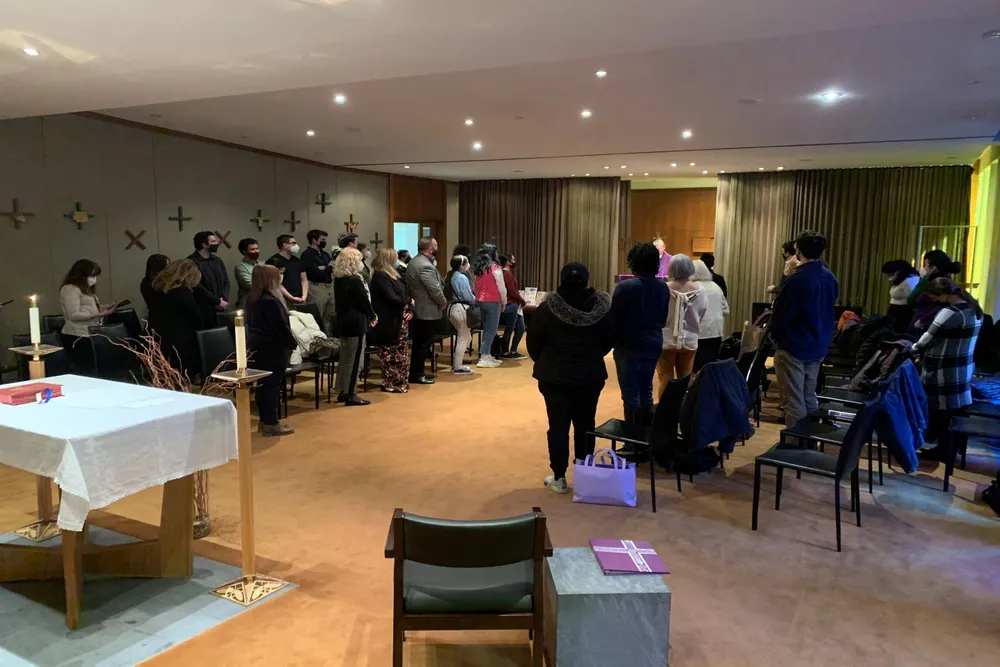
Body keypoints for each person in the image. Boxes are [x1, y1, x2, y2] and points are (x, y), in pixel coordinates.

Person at [528, 262, 614, 494]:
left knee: (558, 426)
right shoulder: (600, 309)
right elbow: (608, 341)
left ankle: (559, 477)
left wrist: (545, 360)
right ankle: (585, 477)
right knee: (585, 425)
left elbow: (533, 343)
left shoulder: (547, 309)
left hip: (555, 377)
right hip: (589, 375)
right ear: (586, 280)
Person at [769, 231, 839, 426]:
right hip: (818, 344)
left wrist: (777, 340)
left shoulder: (796, 280)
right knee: (809, 396)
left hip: (794, 346)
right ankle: (809, 442)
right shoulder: (830, 277)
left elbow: (781, 315)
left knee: (793, 401)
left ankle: (795, 447)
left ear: (798, 251)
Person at [912, 278, 982, 464]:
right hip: (963, 369)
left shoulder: (949, 313)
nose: (934, 300)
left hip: (943, 371)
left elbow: (927, 338)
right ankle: (951, 449)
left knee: (940, 413)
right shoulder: (974, 309)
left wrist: (913, 349)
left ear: (944, 294)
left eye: (934, 296)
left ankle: (943, 450)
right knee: (954, 413)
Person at [611, 243, 670, 423]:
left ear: (633, 262)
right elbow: (663, 319)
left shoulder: (625, 287)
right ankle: (645, 435)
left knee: (630, 393)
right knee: (646, 390)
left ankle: (632, 439)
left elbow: (614, 319)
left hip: (629, 345)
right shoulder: (663, 287)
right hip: (653, 342)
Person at [245, 264, 297, 436]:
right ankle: (271, 423)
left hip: (258, 346)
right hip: (272, 347)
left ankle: (264, 420)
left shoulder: (252, 298)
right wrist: (292, 343)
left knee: (262, 386)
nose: (279, 279)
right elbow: (280, 327)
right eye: (277, 276)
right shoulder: (269, 301)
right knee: (271, 387)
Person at [657, 254, 708, 392]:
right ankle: (683, 411)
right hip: (690, 340)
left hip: (666, 339)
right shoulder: (701, 291)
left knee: (665, 377)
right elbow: (702, 313)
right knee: (686, 379)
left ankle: (665, 412)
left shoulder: (663, 288)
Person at [147, 259, 205, 378]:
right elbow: (196, 318)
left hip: (159, 336)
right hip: (181, 341)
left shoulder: (158, 290)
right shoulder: (183, 293)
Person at [333, 247, 377, 405]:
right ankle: (350, 393)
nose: (361, 264)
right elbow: (363, 301)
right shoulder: (355, 280)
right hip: (356, 322)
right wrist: (373, 315)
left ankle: (342, 390)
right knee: (355, 359)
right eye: (358, 261)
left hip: (343, 322)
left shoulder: (338, 279)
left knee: (344, 358)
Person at [60, 259, 115, 373]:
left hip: (89, 333)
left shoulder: (84, 288)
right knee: (85, 370)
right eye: (92, 276)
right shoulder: (70, 289)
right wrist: (99, 314)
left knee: (94, 368)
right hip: (77, 334)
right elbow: (73, 314)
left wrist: (106, 307)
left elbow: (88, 308)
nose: (94, 279)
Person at [405, 237, 446, 384]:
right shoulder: (425, 266)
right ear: (430, 249)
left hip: (419, 308)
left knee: (419, 344)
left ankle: (416, 373)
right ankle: (417, 374)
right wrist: (443, 302)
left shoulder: (414, 261)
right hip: (426, 310)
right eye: (435, 245)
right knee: (422, 344)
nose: (437, 247)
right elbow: (434, 289)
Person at [370, 247, 412, 393]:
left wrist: (409, 305)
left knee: (401, 354)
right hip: (388, 320)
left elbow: (406, 292)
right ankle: (390, 382)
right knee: (390, 353)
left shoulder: (394, 274)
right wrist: (408, 301)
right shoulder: (380, 276)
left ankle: (400, 381)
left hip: (399, 319)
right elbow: (393, 297)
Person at [908, 250, 961, 331]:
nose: (922, 268)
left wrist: (923, 279)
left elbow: (911, 300)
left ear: (933, 268)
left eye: (925, 265)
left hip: (922, 324)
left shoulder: (930, 283)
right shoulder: (949, 281)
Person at [692, 259, 729, 373]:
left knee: (696, 368)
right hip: (716, 332)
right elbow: (726, 310)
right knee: (710, 366)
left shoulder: (693, 287)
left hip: (699, 333)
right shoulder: (716, 286)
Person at [473, 243, 507, 368]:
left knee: (486, 329)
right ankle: (484, 356)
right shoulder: (495, 268)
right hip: (493, 301)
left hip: (480, 300)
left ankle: (486, 354)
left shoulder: (479, 268)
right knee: (491, 330)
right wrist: (504, 301)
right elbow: (501, 288)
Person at [188, 231, 230, 325]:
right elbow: (197, 286)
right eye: (213, 241)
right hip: (204, 309)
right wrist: (217, 301)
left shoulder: (217, 260)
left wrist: (224, 299)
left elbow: (226, 281)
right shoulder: (191, 262)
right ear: (204, 244)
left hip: (222, 307)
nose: (217, 243)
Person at [299, 229, 334, 331]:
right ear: (314, 240)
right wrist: (327, 267)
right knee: (317, 316)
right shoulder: (307, 254)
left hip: (329, 286)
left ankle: (329, 340)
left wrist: (324, 267)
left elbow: (333, 266)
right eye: (322, 239)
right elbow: (314, 272)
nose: (324, 242)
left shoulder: (325, 254)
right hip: (316, 287)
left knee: (329, 317)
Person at [446, 255, 475, 375]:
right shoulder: (462, 278)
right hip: (461, 308)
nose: (468, 265)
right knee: (463, 337)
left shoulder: (450, 276)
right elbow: (468, 296)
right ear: (461, 265)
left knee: (466, 337)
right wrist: (475, 299)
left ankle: (458, 362)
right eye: (466, 263)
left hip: (452, 308)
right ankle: (458, 366)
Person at [498, 253, 527, 360]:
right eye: (512, 259)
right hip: (511, 304)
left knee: (521, 328)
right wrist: (523, 301)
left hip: (513, 304)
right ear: (507, 262)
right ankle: (506, 352)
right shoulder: (507, 274)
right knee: (510, 328)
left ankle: (513, 350)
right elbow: (512, 291)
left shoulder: (504, 273)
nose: (514, 261)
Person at [268, 234, 308, 305]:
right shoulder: (273, 261)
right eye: (293, 243)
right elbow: (276, 283)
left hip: (299, 297)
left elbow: (304, 279)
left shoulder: (297, 260)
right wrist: (291, 297)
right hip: (281, 298)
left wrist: (304, 296)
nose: (296, 245)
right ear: (285, 245)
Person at [882, 259, 920, 332]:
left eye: (890, 275)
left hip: (904, 314)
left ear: (897, 272)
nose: (889, 278)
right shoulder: (901, 280)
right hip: (897, 313)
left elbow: (913, 299)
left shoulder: (910, 281)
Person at [234, 238, 261, 310]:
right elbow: (251, 285)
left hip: (262, 302)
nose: (256, 251)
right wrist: (268, 282)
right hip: (248, 304)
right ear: (244, 251)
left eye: (257, 248)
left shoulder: (262, 264)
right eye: (252, 249)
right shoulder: (240, 267)